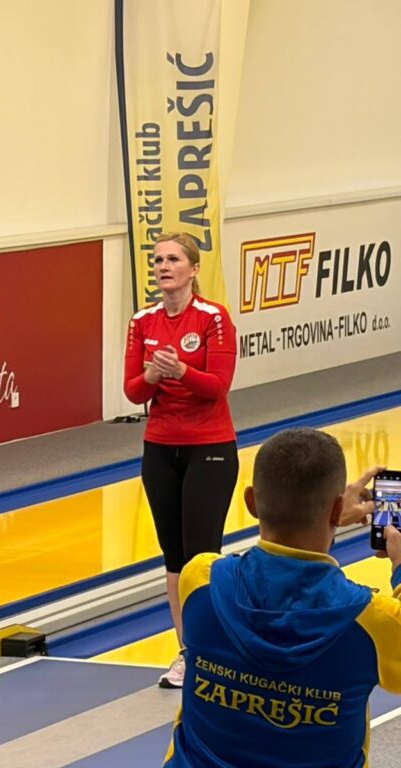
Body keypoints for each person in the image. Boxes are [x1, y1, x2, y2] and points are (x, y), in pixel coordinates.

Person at [165, 428, 398, 767]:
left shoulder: (199, 581)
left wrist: (328, 515)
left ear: (251, 502)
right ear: (337, 510)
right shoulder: (373, 621)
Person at [123, 232, 239, 688]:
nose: (164, 267)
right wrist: (154, 373)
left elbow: (218, 385)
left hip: (209, 446)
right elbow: (133, 391)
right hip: (160, 448)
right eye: (158, 260)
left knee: (201, 556)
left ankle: (215, 650)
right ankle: (188, 651)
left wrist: (181, 371)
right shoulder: (142, 321)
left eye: (173, 259)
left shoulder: (213, 317)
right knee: (174, 558)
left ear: (193, 269)